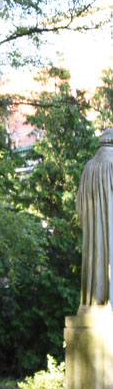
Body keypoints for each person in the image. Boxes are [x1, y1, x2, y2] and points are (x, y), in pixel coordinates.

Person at [76, 128, 113, 306]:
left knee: (95, 258)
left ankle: (93, 300)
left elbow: (80, 208)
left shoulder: (88, 168)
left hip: (92, 234)